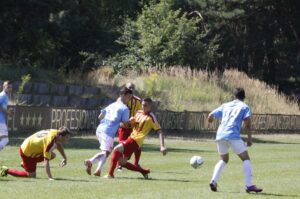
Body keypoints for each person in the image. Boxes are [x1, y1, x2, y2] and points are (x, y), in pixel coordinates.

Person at [207, 88, 263, 193]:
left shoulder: (225, 105)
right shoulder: (245, 107)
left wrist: (210, 120)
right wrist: (249, 139)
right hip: (233, 135)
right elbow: (248, 124)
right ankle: (249, 185)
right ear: (244, 97)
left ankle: (213, 181)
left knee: (223, 159)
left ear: (234, 96)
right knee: (246, 158)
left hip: (220, 135)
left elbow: (210, 115)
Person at [106, 97, 167, 179]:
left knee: (116, 149)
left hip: (136, 140)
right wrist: (130, 122)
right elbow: (131, 124)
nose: (143, 107)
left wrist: (162, 146)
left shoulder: (151, 117)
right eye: (142, 105)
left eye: (145, 105)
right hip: (131, 138)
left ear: (150, 106)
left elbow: (159, 131)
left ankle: (110, 174)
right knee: (121, 162)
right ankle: (144, 171)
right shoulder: (138, 112)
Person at [84, 87, 133, 177]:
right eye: (129, 97)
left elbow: (100, 116)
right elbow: (126, 124)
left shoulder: (112, 105)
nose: (129, 99)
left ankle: (98, 170)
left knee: (106, 152)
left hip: (100, 129)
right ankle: (90, 162)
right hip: (108, 132)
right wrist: (131, 121)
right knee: (105, 152)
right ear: (123, 95)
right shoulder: (124, 109)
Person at [0, 127, 72, 180]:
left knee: (52, 155)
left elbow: (58, 144)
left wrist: (64, 158)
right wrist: (50, 177)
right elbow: (46, 161)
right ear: (60, 136)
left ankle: (25, 164)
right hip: (26, 152)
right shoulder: (50, 142)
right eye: (67, 138)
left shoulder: (56, 133)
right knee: (31, 175)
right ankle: (5, 170)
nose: (68, 140)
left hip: (29, 145)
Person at [117, 82, 142, 170]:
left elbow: (140, 113)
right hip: (123, 127)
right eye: (129, 87)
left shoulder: (138, 101)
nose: (131, 89)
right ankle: (119, 164)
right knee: (121, 145)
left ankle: (136, 164)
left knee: (137, 146)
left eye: (133, 87)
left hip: (133, 128)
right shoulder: (121, 100)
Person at [0, 81, 13, 151]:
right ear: (3, 87)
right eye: (8, 87)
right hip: (0, 121)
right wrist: (7, 112)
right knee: (5, 140)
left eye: (11, 87)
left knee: (3, 139)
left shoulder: (5, 95)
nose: (9, 89)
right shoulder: (3, 95)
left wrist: (7, 112)